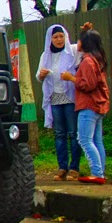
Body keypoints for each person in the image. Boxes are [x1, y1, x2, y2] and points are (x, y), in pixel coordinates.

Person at [61, 22, 110, 185]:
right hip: (98, 105)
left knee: (84, 139)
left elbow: (88, 85)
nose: (77, 43)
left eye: (80, 40)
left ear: (86, 44)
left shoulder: (88, 61)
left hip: (88, 105)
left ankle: (97, 173)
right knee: (97, 141)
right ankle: (100, 172)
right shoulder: (98, 59)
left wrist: (71, 78)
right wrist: (86, 31)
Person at [36, 24, 81, 181]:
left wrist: (86, 31)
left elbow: (85, 45)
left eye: (61, 36)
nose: (59, 39)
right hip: (54, 98)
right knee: (59, 134)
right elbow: (38, 77)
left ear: (66, 36)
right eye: (55, 37)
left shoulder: (72, 51)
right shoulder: (46, 55)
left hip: (70, 98)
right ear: (50, 39)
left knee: (73, 134)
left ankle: (74, 168)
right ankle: (62, 167)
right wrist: (42, 74)